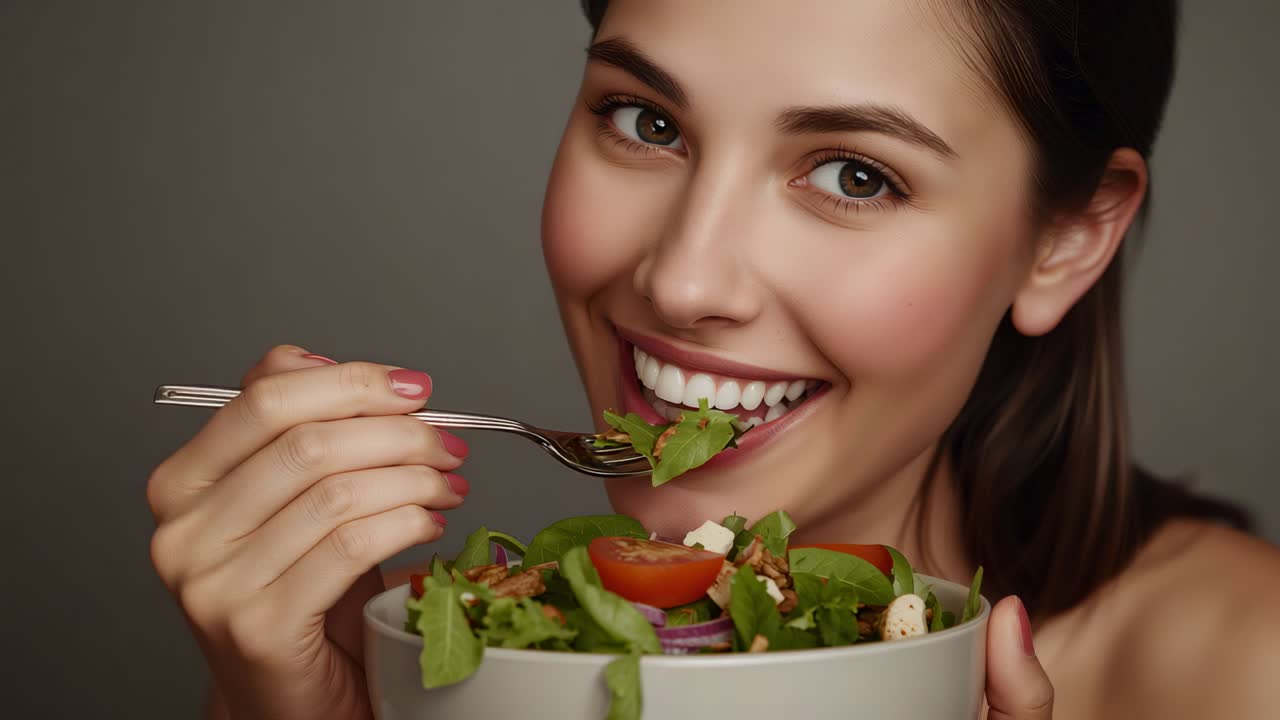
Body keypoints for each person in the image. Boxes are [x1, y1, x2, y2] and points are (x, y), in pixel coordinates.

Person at [146, 0, 1280, 717]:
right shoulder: (445, 666)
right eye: (645, 121)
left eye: (853, 175)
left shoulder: (1241, 673)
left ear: (1065, 238)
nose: (683, 281)